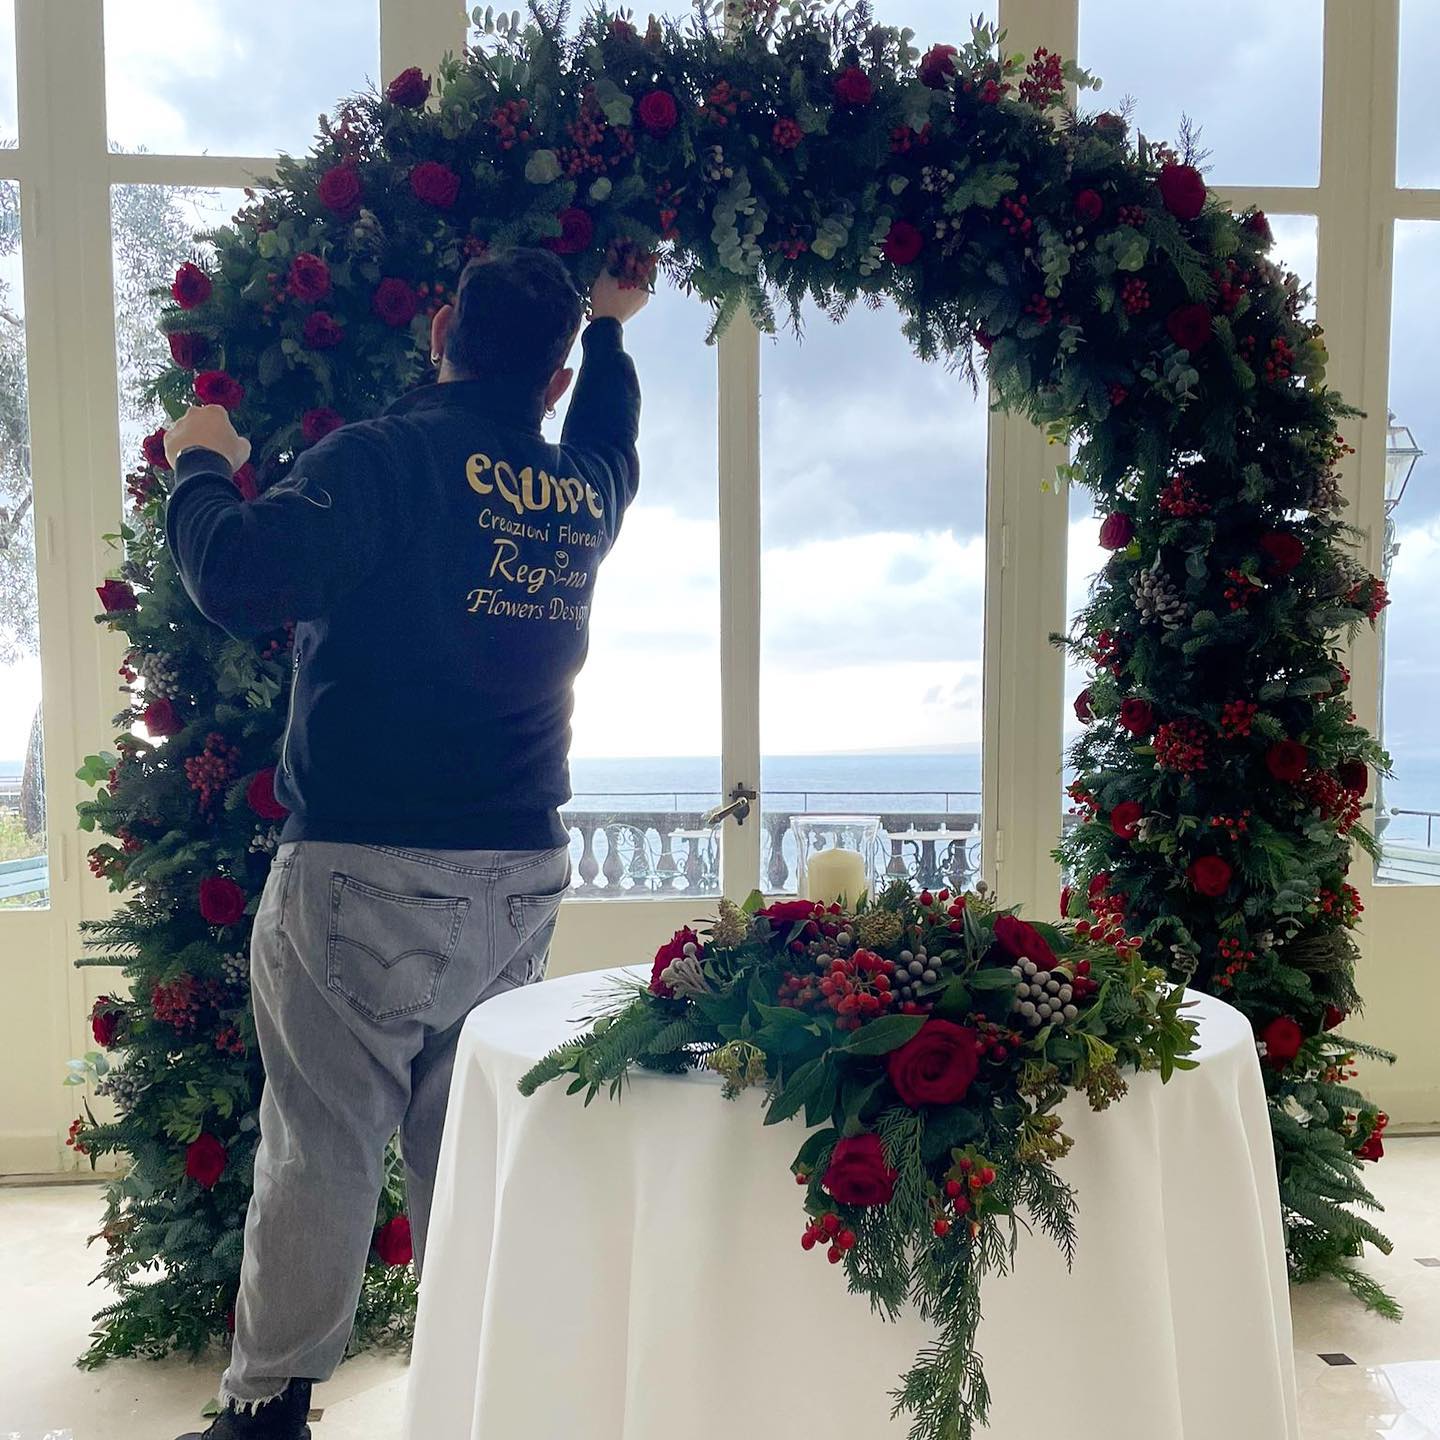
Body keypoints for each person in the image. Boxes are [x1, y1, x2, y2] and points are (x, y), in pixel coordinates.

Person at [161, 248, 648, 1440]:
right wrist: (614, 333)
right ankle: (481, 1391)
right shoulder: (581, 490)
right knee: (464, 1140)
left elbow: (236, 572)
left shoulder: (384, 460)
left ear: (440, 331)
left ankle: (269, 1412)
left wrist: (201, 465)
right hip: (518, 878)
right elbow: (614, 438)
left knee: (322, 1143)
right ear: (553, 379)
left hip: (363, 871)